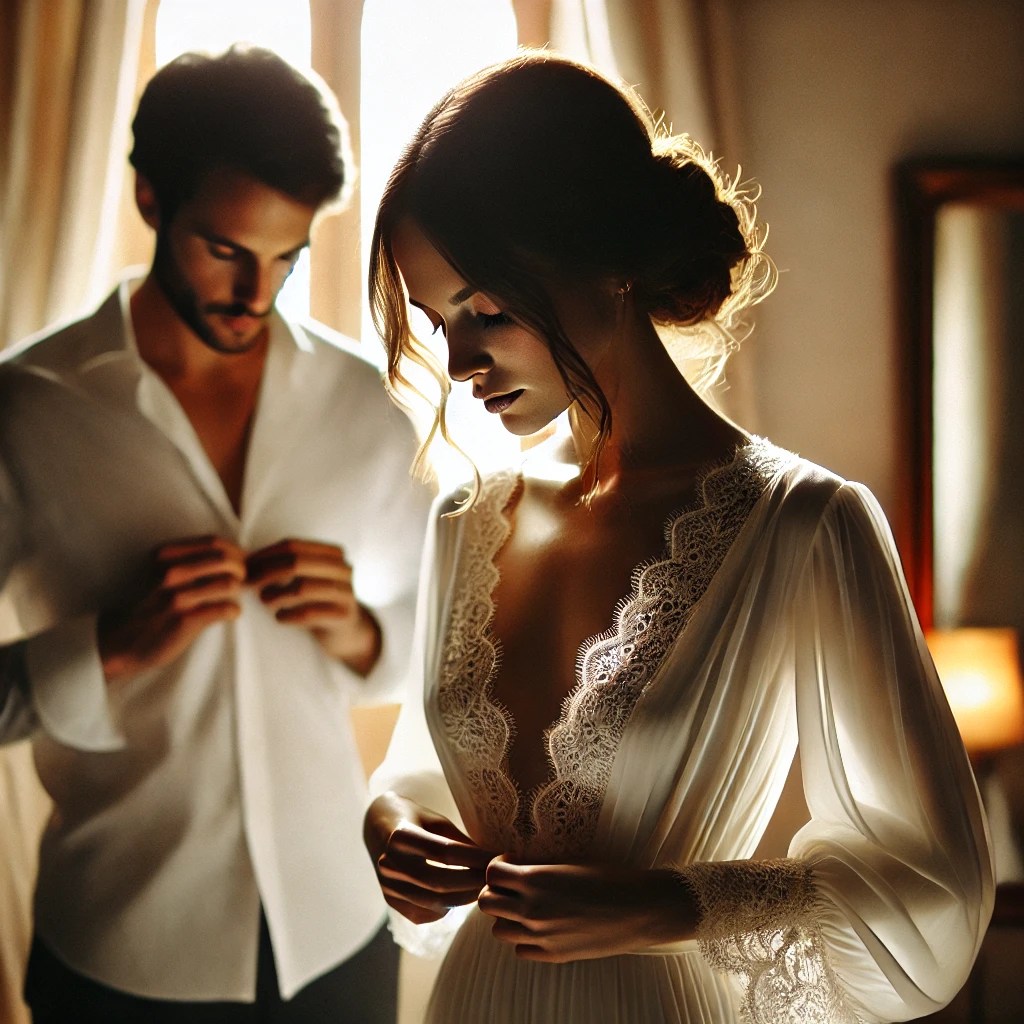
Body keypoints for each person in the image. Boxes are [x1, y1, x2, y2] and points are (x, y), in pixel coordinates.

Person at [362, 50, 994, 1024]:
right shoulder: (467, 520)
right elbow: (420, 765)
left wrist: (670, 904)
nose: (457, 361)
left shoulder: (805, 525)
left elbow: (934, 884)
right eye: (434, 319)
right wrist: (394, 823)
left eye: (486, 308)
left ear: (609, 263)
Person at [0, 46, 432, 1023]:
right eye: (226, 250)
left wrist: (360, 632)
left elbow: (438, 641)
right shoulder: (24, 411)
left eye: (287, 259)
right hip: (121, 951)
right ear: (150, 199)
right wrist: (101, 650)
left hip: (338, 933)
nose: (256, 294)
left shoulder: (364, 404)